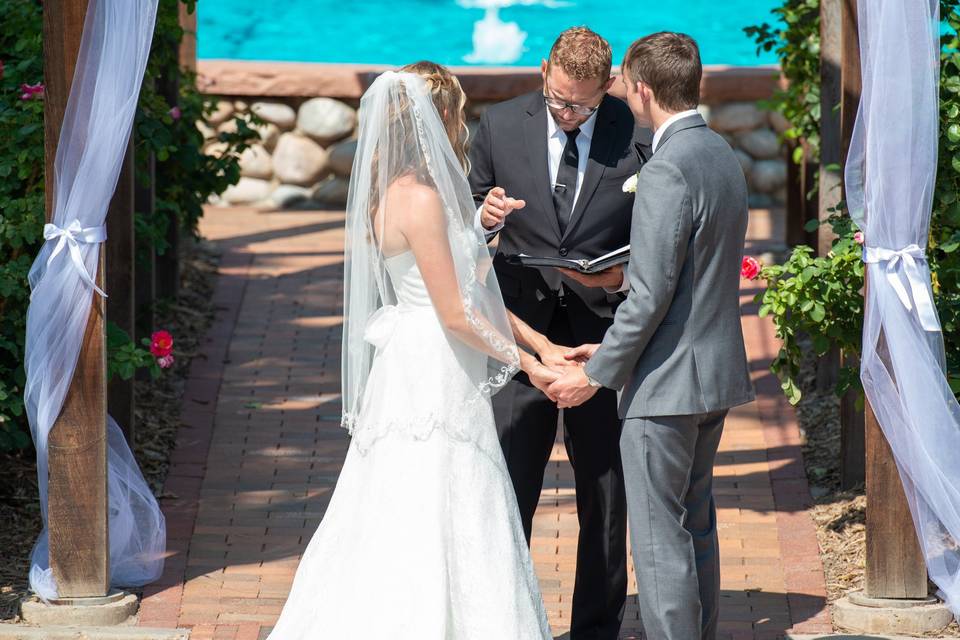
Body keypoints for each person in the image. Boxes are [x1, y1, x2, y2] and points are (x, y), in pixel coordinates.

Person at [266, 62, 558, 639]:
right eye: (457, 113)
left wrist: (539, 335)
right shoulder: (421, 198)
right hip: (435, 361)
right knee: (441, 499)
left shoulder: (391, 190)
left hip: (415, 352)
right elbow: (455, 311)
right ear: (438, 118)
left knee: (398, 499)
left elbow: (464, 283)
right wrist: (528, 364)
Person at [549, 33, 756, 640]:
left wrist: (594, 372)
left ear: (642, 89)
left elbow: (649, 297)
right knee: (696, 526)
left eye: (621, 82)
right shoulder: (720, 152)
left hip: (665, 383)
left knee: (661, 539)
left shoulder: (666, 166)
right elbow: (688, 269)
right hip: (713, 372)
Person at [468, 27, 649, 639]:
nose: (569, 115)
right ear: (544, 70)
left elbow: (659, 226)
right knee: (507, 482)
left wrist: (619, 277)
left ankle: (595, 629)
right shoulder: (495, 124)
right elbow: (461, 214)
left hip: (604, 334)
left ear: (611, 85)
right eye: (558, 100)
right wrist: (483, 215)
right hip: (520, 334)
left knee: (606, 490)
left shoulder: (637, 131)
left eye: (583, 105)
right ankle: (504, 620)